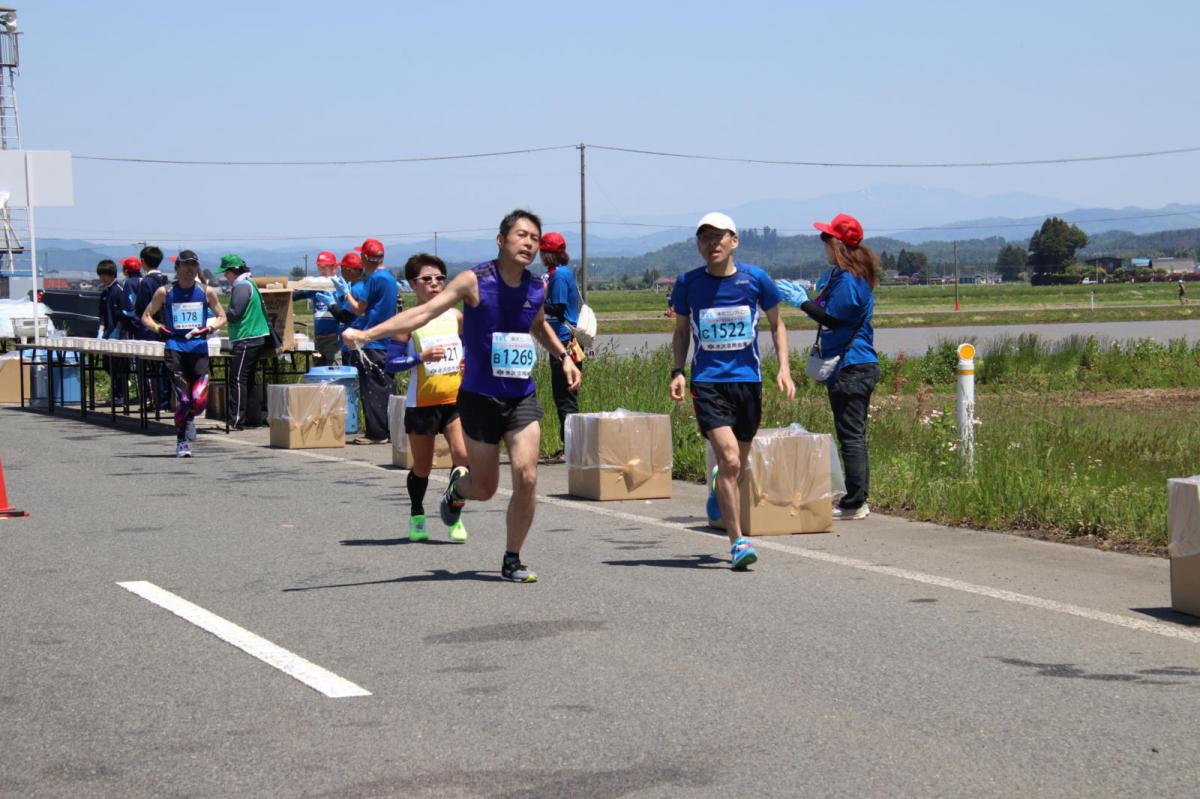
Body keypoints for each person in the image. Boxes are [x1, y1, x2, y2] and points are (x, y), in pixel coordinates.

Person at [344, 209, 581, 584]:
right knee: (484, 488)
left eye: (535, 238)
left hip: (520, 396)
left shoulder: (537, 286)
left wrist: (564, 356)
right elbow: (423, 313)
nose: (529, 243)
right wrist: (367, 334)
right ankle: (457, 491)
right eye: (521, 235)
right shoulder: (474, 280)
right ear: (501, 240)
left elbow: (537, 325)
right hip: (479, 398)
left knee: (526, 475)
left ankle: (512, 558)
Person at [669, 212, 795, 570]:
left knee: (738, 464)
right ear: (698, 245)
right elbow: (682, 331)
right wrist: (678, 371)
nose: (713, 243)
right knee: (729, 459)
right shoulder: (688, 283)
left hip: (748, 382)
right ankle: (738, 542)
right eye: (705, 238)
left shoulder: (756, 279)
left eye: (719, 236)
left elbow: (777, 324)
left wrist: (784, 368)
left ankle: (718, 486)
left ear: (734, 241)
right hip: (708, 382)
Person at [783, 213, 880, 520]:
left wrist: (801, 302)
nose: (823, 246)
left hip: (852, 367)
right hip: (856, 365)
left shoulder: (850, 281)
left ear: (838, 245)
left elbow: (832, 319)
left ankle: (855, 502)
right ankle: (857, 497)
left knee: (851, 436)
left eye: (827, 241)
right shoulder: (847, 276)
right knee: (853, 434)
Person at [384, 253, 470, 543]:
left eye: (440, 279)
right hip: (421, 404)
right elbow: (391, 363)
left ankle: (454, 512)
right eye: (427, 279)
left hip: (455, 401)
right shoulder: (407, 322)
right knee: (422, 467)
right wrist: (419, 357)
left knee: (463, 457)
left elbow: (468, 348)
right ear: (412, 284)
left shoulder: (455, 316)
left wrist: (467, 361)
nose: (434, 284)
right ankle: (417, 513)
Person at [141, 250, 226, 457]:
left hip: (199, 349)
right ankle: (181, 442)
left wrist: (209, 328)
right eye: (186, 265)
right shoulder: (165, 292)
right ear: (177, 267)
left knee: (199, 401)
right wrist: (159, 329)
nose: (190, 269)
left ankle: (189, 419)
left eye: (194, 265)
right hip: (175, 348)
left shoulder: (206, 292)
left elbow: (222, 316)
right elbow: (146, 316)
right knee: (184, 398)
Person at [343, 238, 397, 444]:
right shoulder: (390, 278)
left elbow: (359, 309)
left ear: (365, 258)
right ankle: (390, 428)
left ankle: (377, 432)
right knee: (386, 385)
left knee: (372, 387)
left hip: (371, 339)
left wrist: (346, 294)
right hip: (388, 338)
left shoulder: (373, 279)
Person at [538, 231, 583, 462]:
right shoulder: (559, 273)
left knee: (565, 397)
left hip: (564, 342)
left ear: (547, 254)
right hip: (562, 341)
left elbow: (557, 307)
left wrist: (536, 299)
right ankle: (569, 445)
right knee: (563, 396)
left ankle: (571, 449)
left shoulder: (559, 276)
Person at [220, 254, 272, 430]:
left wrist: (219, 315)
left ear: (233, 271)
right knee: (248, 379)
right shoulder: (249, 283)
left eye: (226, 272)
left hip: (246, 338)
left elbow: (235, 313)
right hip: (255, 337)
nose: (225, 276)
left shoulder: (241, 286)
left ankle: (236, 419)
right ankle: (253, 417)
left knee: (237, 379)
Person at [134, 245, 172, 409]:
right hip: (167, 329)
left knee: (151, 368)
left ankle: (157, 401)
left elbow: (141, 310)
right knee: (166, 366)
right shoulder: (166, 281)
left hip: (150, 330)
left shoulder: (146, 282)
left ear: (142, 261)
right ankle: (167, 400)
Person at [96, 259, 136, 405]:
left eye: (105, 274)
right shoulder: (104, 293)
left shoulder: (119, 290)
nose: (102, 278)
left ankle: (120, 395)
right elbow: (102, 315)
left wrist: (118, 329)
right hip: (108, 334)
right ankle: (117, 393)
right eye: (100, 275)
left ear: (112, 274)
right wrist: (101, 331)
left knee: (120, 367)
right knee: (107, 365)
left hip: (120, 334)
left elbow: (124, 313)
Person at [294, 250, 342, 365]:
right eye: (320, 268)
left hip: (334, 339)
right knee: (319, 370)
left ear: (334, 268)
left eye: (325, 268)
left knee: (335, 369)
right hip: (319, 339)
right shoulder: (315, 288)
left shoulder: (339, 286)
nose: (322, 271)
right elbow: (296, 295)